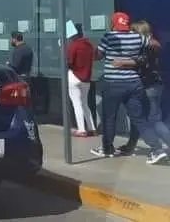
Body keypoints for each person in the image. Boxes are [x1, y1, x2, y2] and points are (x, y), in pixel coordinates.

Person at [90, 12, 167, 164]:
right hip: (134, 84)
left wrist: (97, 51)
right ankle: (157, 149)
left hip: (114, 84)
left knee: (109, 117)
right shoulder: (137, 37)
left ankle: (107, 149)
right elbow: (156, 45)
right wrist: (134, 58)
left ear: (112, 24)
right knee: (139, 119)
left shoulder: (109, 37)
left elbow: (97, 56)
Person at [114, 20, 170, 156]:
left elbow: (141, 61)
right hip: (155, 85)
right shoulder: (152, 44)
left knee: (153, 120)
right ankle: (130, 146)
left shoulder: (144, 47)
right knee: (138, 118)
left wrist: (122, 63)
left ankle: (158, 148)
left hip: (148, 87)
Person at [66, 23, 97, 137]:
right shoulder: (89, 45)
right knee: (85, 104)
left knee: (76, 104)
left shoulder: (73, 45)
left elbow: (69, 62)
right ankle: (92, 128)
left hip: (74, 76)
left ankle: (81, 129)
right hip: (86, 78)